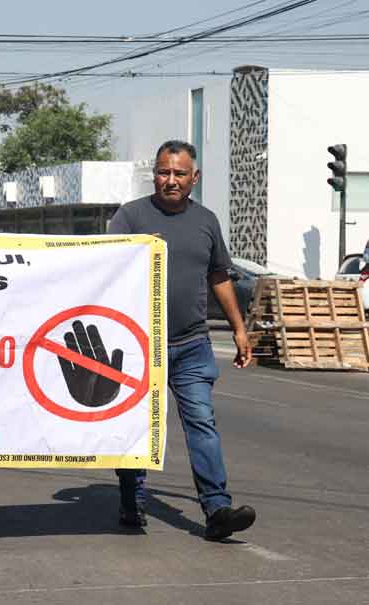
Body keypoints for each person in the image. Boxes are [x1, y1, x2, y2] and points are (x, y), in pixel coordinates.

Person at [107, 139, 256, 541]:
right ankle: (131, 501)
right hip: (138, 345)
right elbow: (103, 270)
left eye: (178, 173)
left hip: (192, 344)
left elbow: (220, 277)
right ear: (154, 173)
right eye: (163, 171)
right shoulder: (130, 217)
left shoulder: (206, 220)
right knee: (136, 426)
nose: (169, 180)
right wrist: (134, 250)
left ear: (194, 178)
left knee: (201, 422)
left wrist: (240, 329)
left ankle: (217, 509)